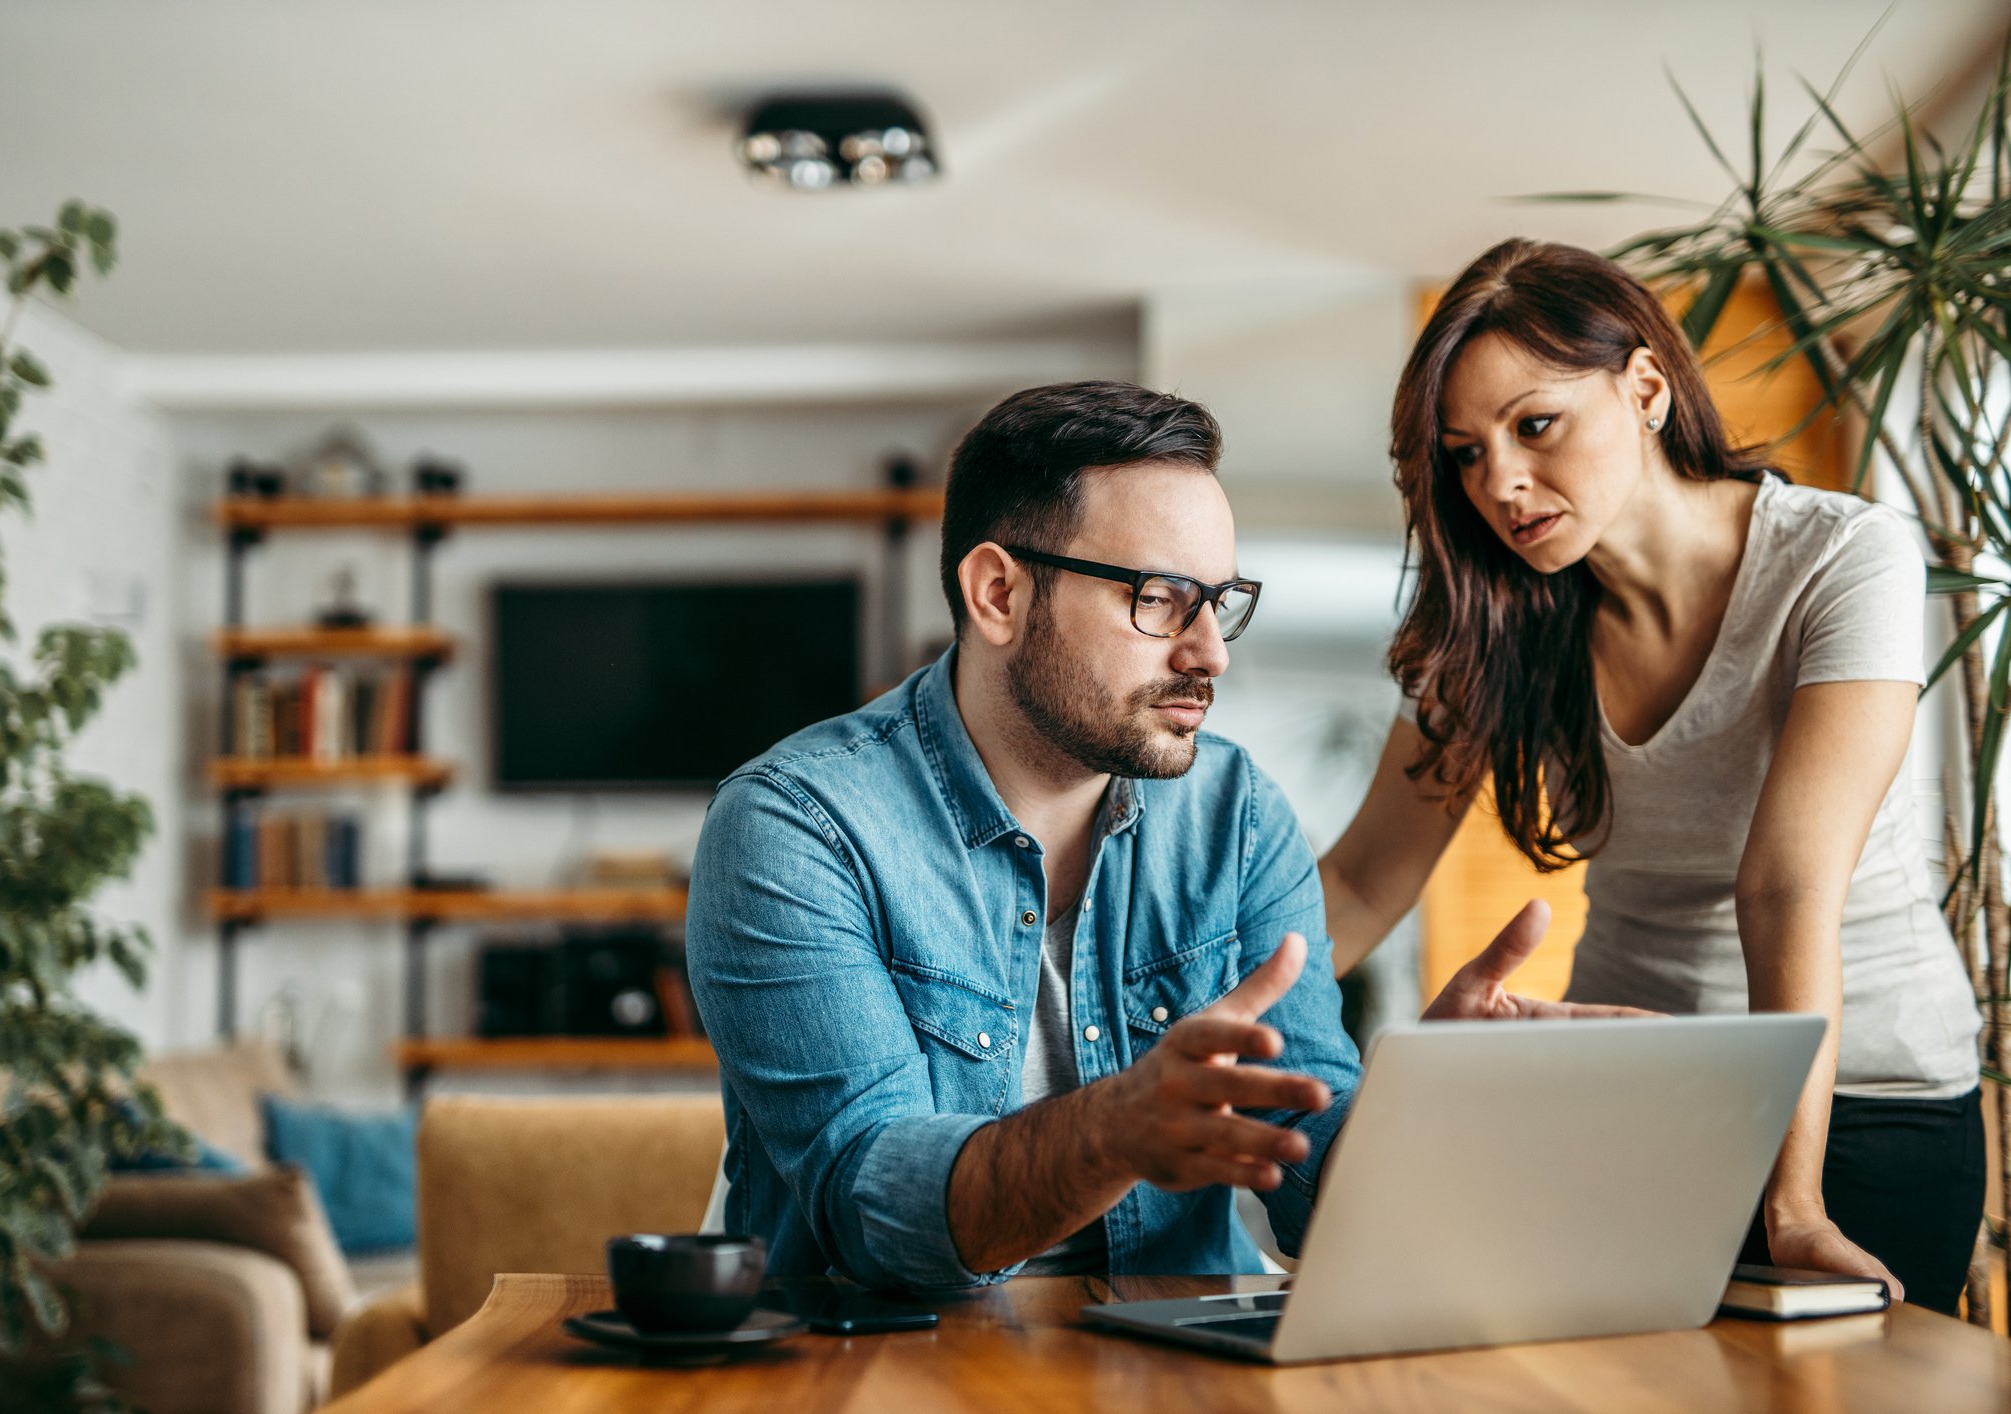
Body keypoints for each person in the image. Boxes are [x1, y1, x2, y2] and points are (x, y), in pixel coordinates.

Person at [686, 380, 1627, 1290]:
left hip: (1175, 1352)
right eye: (1158, 597)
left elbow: (1303, 1170)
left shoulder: (1236, 814)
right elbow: (868, 1211)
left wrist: (1428, 1109)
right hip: (893, 1361)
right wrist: (1110, 1129)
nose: (1208, 652)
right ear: (998, 595)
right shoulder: (795, 827)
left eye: (1219, 600)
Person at [1319, 238, 1985, 1314]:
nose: (1502, 483)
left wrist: (1794, 1204)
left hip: (1868, 1098)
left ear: (1644, 385)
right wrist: (1194, 1045)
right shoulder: (1491, 620)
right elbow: (1358, 883)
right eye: (1465, 454)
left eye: (1535, 425)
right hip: (1638, 1090)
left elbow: (1787, 882)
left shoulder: (1842, 557)